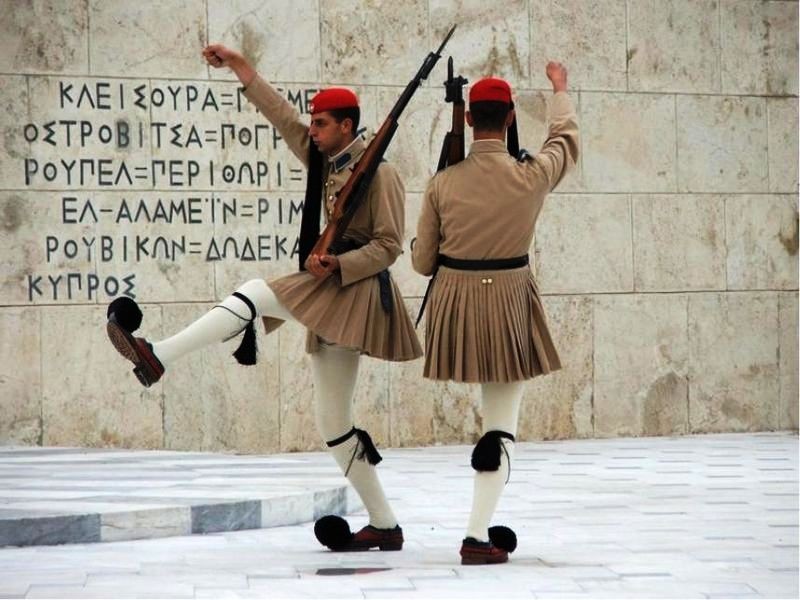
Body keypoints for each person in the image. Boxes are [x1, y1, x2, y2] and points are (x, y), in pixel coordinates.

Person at [105, 43, 422, 552]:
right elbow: (281, 116)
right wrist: (240, 66)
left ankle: (157, 355)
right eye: (313, 124)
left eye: (321, 124)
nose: (311, 131)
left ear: (346, 125)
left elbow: (388, 247)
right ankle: (385, 524)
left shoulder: (381, 174)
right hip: (331, 292)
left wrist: (338, 262)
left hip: (353, 291)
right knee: (333, 423)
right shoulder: (325, 160)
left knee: (255, 292)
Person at [412, 62, 579, 565]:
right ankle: (475, 534)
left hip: (457, 307)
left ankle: (478, 531)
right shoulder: (531, 176)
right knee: (501, 426)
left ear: (468, 118)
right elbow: (564, 142)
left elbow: (423, 262)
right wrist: (559, 91)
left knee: (495, 424)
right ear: (508, 119)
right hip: (508, 303)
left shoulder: (442, 184)